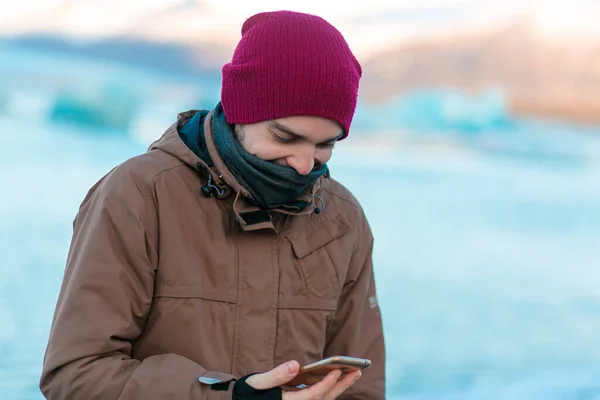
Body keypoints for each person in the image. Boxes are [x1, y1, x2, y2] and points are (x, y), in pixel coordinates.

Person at [40, 10, 385, 400]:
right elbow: (76, 376)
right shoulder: (140, 194)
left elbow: (360, 389)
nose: (305, 165)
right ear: (240, 109)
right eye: (285, 138)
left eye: (325, 145)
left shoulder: (343, 219)